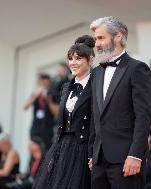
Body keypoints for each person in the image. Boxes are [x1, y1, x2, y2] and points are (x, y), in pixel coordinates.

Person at [88, 16, 151, 189]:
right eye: (96, 39)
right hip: (98, 161)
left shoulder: (137, 68)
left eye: (101, 38)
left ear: (118, 36)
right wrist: (91, 154)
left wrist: (136, 155)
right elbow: (96, 116)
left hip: (126, 160)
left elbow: (144, 116)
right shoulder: (96, 73)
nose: (97, 44)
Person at [32, 35, 94, 189]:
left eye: (78, 58)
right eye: (70, 59)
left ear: (90, 60)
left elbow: (98, 122)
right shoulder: (66, 87)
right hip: (61, 147)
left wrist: (94, 152)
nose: (73, 63)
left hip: (83, 149)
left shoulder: (96, 86)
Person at [24, 73, 56, 149]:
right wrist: (36, 94)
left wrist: (48, 100)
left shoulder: (52, 94)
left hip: (48, 128)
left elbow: (56, 112)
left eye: (45, 83)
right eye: (42, 82)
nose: (43, 85)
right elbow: (25, 106)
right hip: (36, 127)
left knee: (46, 151)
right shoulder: (35, 94)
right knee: (34, 149)